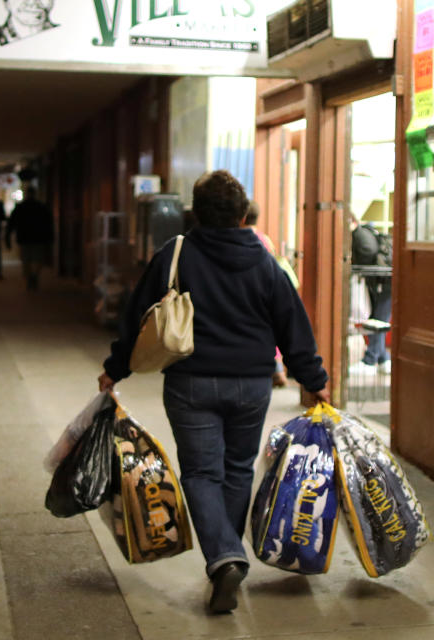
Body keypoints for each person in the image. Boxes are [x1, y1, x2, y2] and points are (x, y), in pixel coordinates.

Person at [98, 170, 330, 615]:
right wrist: (312, 380)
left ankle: (225, 557)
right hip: (251, 383)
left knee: (202, 473)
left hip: (192, 383)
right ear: (243, 214)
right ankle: (227, 553)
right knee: (238, 469)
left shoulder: (176, 253)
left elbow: (137, 317)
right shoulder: (266, 263)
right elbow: (293, 325)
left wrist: (116, 369)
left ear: (197, 214)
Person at [242, 202, 288, 387]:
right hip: (265, 294)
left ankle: (276, 371)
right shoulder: (265, 239)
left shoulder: (245, 239)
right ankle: (278, 370)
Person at [350, 213, 392, 371]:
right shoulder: (365, 232)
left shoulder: (360, 234)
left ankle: (370, 359)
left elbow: (368, 251)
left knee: (378, 320)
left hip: (383, 282)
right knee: (379, 319)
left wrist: (360, 267)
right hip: (384, 282)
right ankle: (382, 358)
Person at [6, 187, 54, 290]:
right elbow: (49, 224)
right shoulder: (41, 207)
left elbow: (11, 223)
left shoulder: (21, 207)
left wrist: (8, 236)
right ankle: (33, 277)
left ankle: (31, 277)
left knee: (27, 260)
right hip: (36, 237)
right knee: (36, 259)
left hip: (27, 237)